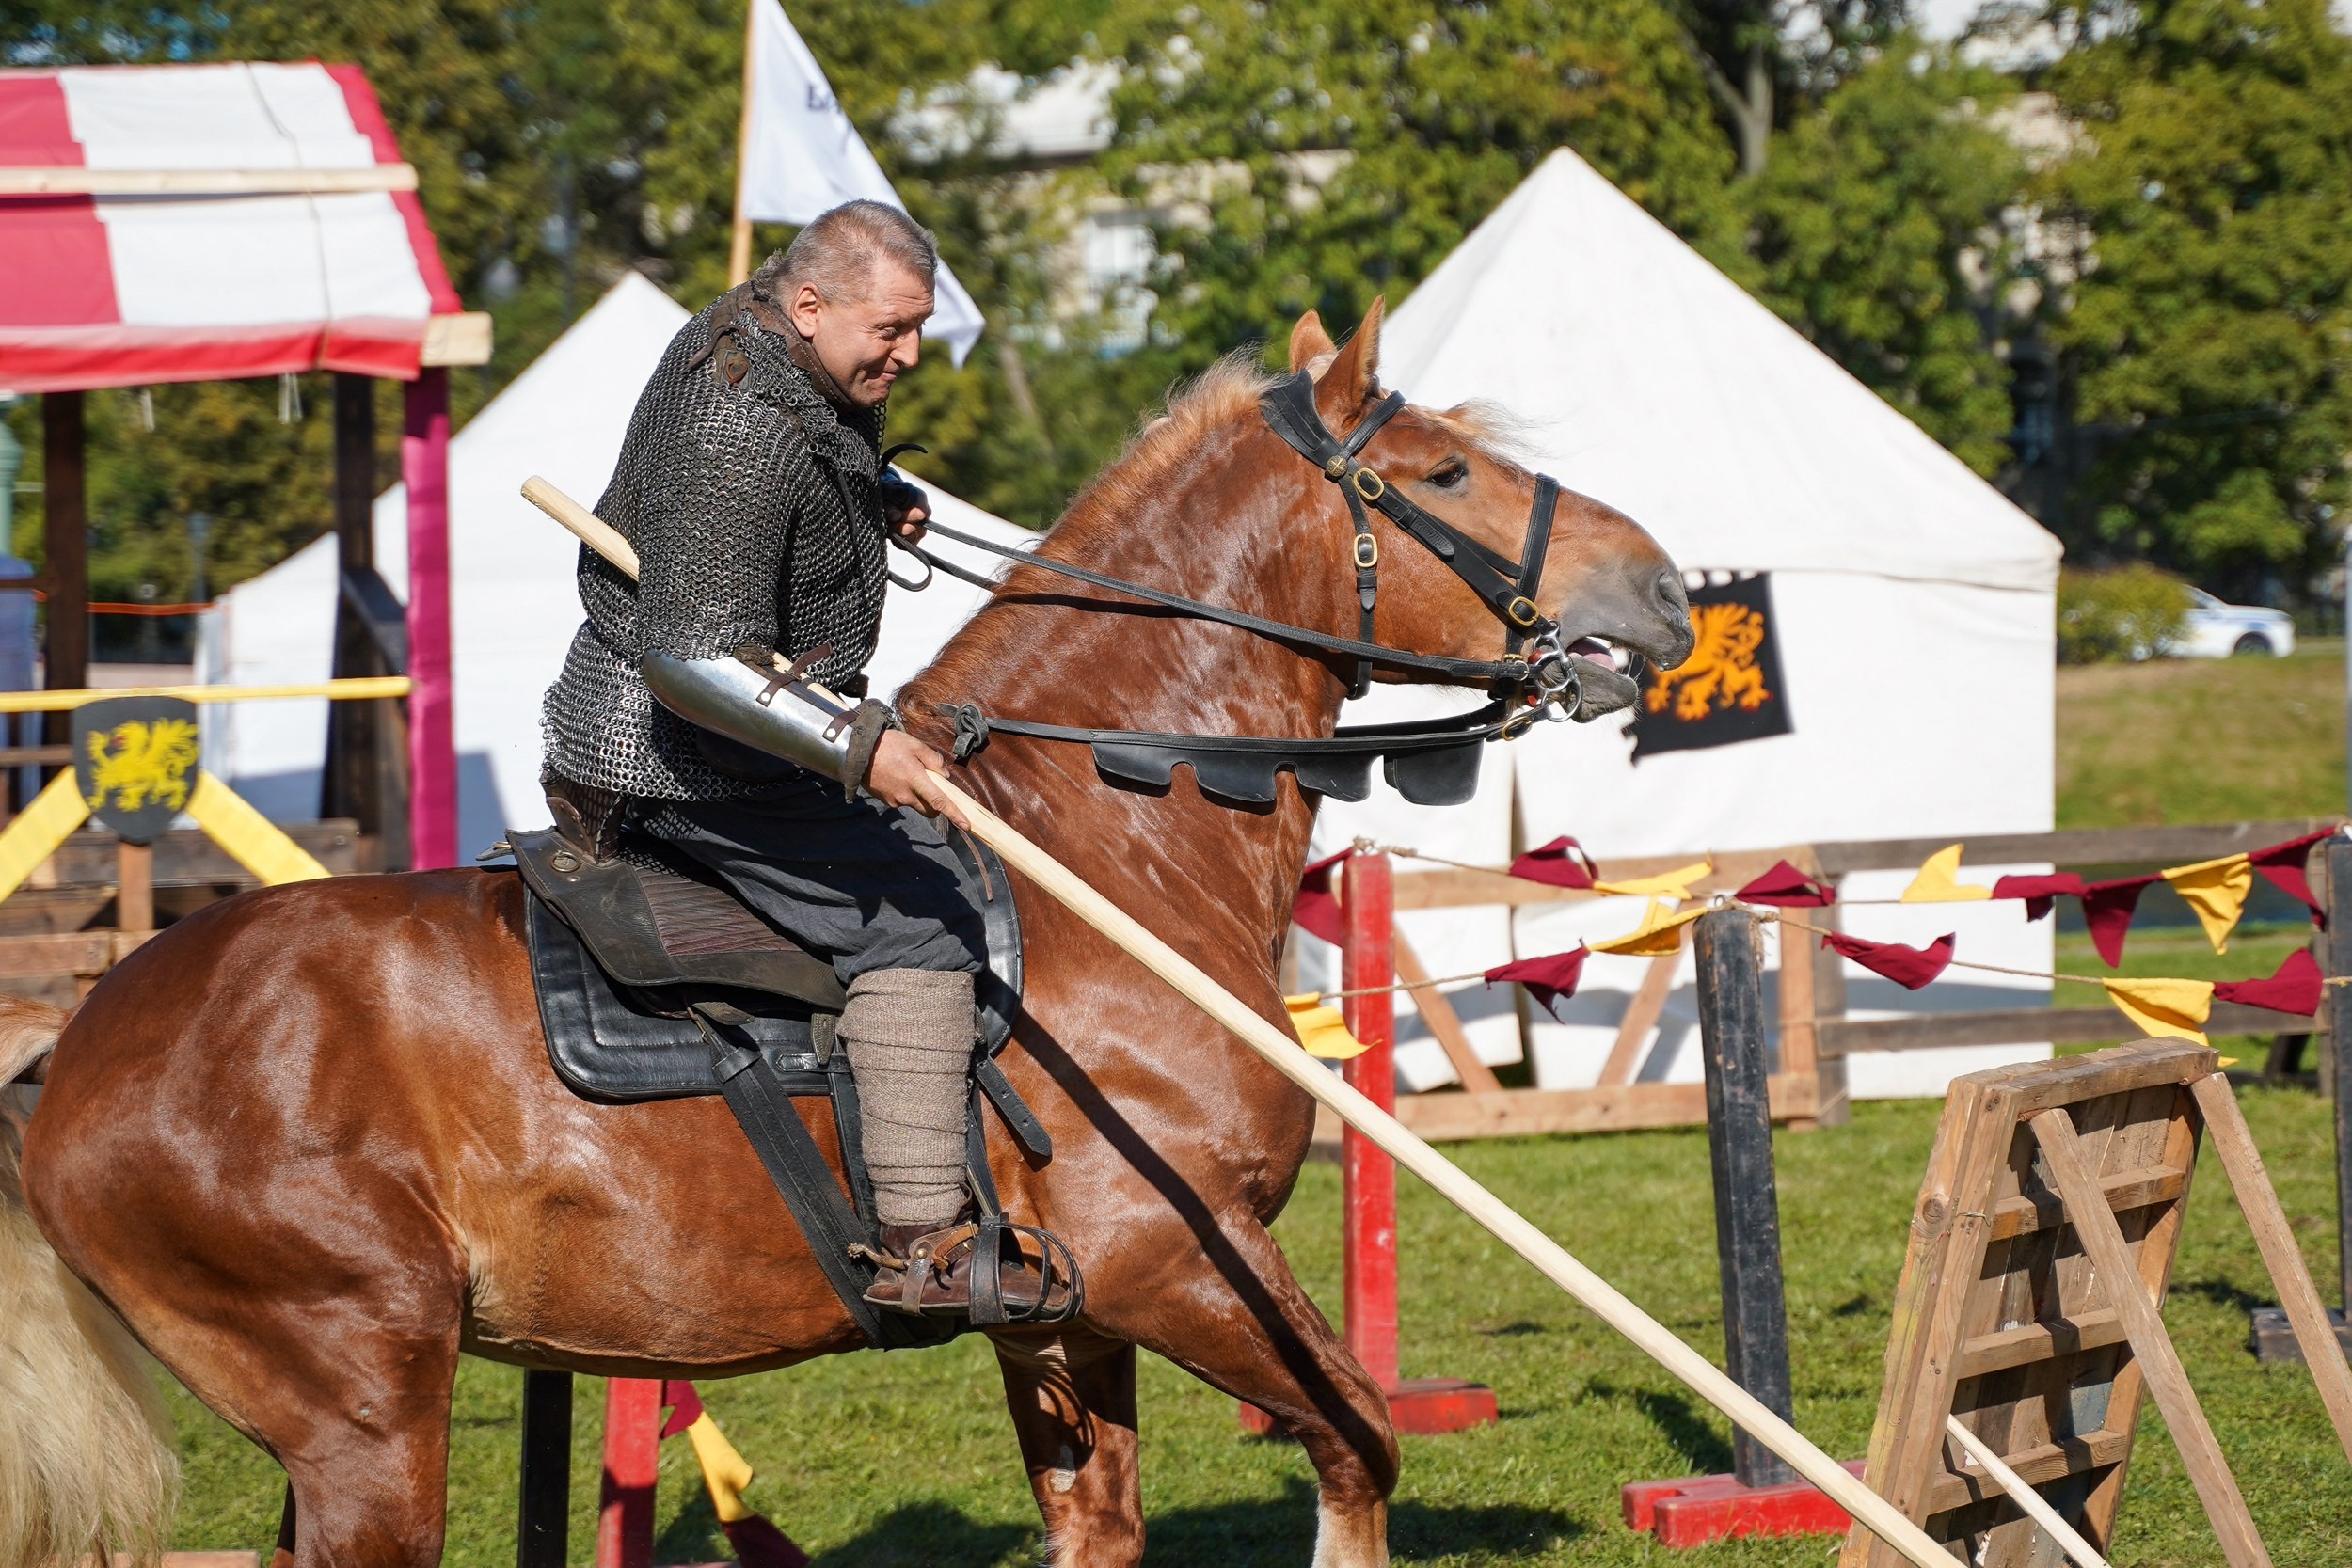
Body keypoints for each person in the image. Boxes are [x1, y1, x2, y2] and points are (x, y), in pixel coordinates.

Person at [538, 199, 1060, 1318]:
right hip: (676, 753)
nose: (910, 354)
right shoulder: (733, 422)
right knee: (917, 918)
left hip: (737, 732)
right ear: (810, 303)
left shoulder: (776, 346)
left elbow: (780, 484)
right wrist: (856, 743)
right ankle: (922, 1242)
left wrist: (871, 494)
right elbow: (689, 655)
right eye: (893, 329)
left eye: (917, 326)